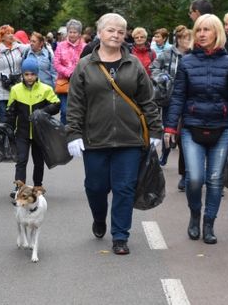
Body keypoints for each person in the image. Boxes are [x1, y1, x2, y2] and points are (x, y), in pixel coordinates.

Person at [66, 13, 162, 255]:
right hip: (95, 138)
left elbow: (148, 100)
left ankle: (120, 236)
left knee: (125, 187)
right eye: (111, 30)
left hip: (129, 138)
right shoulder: (85, 65)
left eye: (120, 31)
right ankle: (99, 218)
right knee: (95, 187)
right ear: (100, 33)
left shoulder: (134, 64)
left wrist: (155, 131)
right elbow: (76, 103)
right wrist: (73, 134)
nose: (116, 35)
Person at [164, 14, 228, 245]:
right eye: (198, 30)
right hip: (192, 127)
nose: (201, 34)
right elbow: (177, 95)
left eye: (206, 30)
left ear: (217, 33)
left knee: (216, 178)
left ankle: (209, 224)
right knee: (195, 178)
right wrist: (170, 126)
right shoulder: (187, 62)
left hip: (222, 127)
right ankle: (194, 215)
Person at [6, 58, 60, 199]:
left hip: (39, 132)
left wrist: (43, 111)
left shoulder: (46, 89)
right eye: (26, 74)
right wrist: (8, 128)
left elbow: (56, 104)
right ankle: (19, 187)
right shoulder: (15, 89)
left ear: (37, 74)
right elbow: (10, 111)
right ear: (22, 75)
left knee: (38, 161)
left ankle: (37, 185)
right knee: (21, 160)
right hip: (22, 132)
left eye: (33, 74)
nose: (30, 77)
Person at [151, 25, 192, 189]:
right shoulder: (168, 54)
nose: (187, 41)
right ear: (179, 40)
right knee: (170, 129)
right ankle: (165, 153)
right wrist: (163, 78)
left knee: (184, 137)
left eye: (190, 38)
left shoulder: (196, 55)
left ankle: (186, 174)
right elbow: (154, 68)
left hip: (191, 101)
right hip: (170, 98)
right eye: (184, 38)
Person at [0, 25, 28, 122]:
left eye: (12, 33)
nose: (11, 35)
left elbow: (31, 46)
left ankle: (14, 137)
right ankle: (6, 137)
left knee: (16, 119)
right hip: (1, 88)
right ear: (1, 36)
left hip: (16, 87)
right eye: (8, 34)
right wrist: (3, 75)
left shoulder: (19, 48)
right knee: (4, 120)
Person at [53, 19, 86, 124]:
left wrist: (76, 74)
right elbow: (56, 63)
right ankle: (63, 134)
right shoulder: (60, 45)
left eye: (75, 32)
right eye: (70, 32)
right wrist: (68, 72)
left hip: (81, 84)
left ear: (79, 34)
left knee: (80, 111)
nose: (72, 34)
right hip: (64, 83)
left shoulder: (85, 47)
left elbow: (87, 64)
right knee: (64, 111)